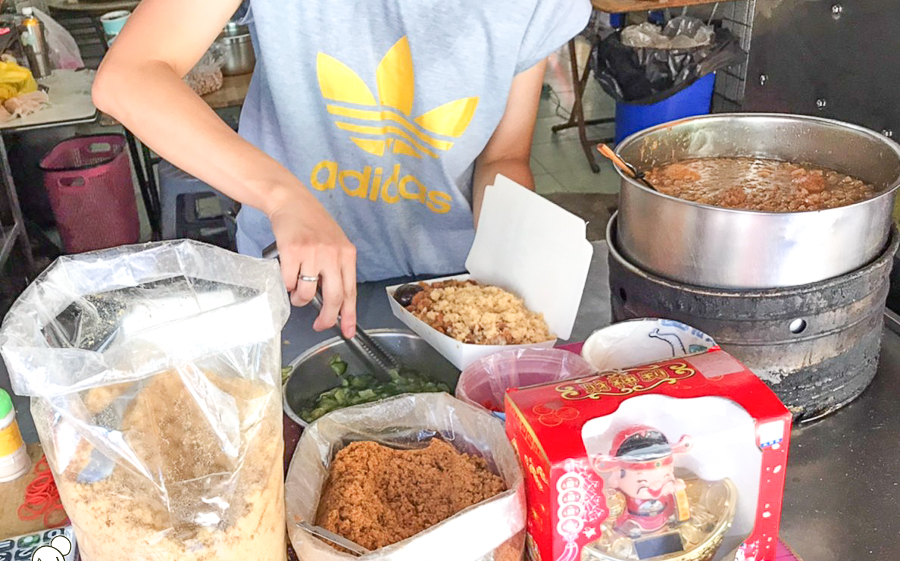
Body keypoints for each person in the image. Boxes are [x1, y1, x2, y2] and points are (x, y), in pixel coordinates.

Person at [92, 0, 592, 338]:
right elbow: (129, 76)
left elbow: (503, 159)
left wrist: (518, 268)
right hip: (294, 280)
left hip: (447, 286)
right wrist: (283, 196)